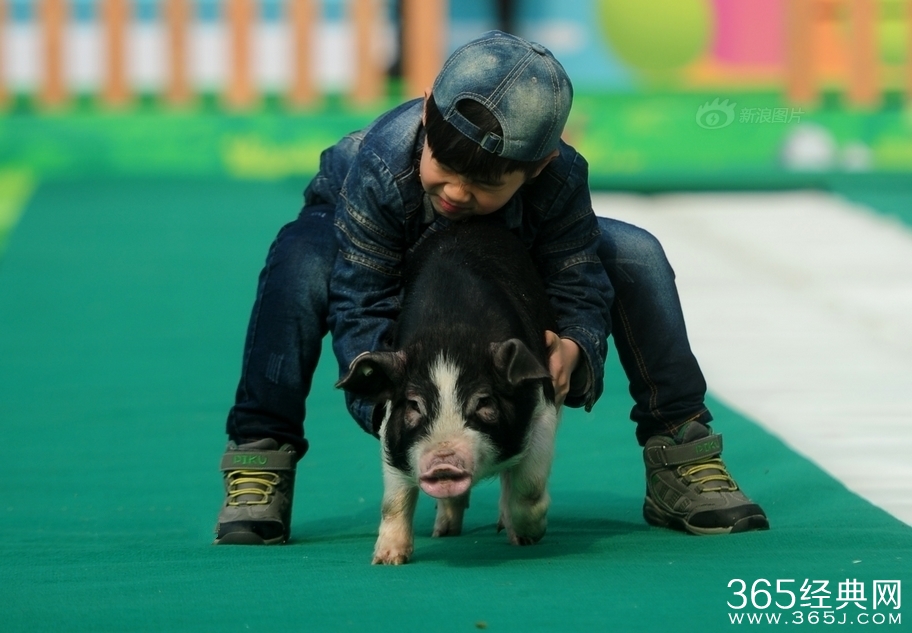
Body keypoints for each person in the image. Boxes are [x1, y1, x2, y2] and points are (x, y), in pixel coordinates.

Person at [214, 31, 769, 546]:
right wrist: (386, 398)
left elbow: (576, 277)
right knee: (302, 259)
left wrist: (574, 345)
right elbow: (363, 296)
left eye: (483, 182)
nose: (457, 192)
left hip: (503, 254)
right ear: (427, 112)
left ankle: (680, 449)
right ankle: (261, 451)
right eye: (444, 164)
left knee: (635, 254)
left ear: (538, 167)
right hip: (385, 244)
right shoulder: (382, 164)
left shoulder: (559, 180)